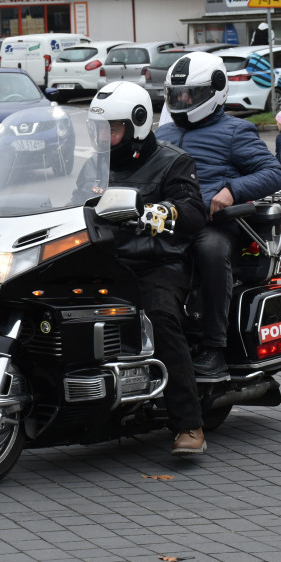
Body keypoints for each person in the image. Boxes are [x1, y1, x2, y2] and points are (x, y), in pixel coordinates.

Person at [88, 81, 208, 456]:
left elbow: (193, 213)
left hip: (157, 262)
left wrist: (161, 211)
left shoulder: (174, 161)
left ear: (138, 124)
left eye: (112, 128)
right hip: (104, 260)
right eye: (99, 129)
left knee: (159, 316)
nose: (105, 137)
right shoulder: (94, 164)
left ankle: (189, 425)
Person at [155, 52, 281, 377]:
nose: (183, 101)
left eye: (191, 95)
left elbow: (273, 173)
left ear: (215, 91)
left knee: (210, 250)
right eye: (177, 95)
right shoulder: (162, 136)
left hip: (213, 224)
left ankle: (214, 348)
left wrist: (231, 190)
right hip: (167, 219)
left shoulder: (235, 131)